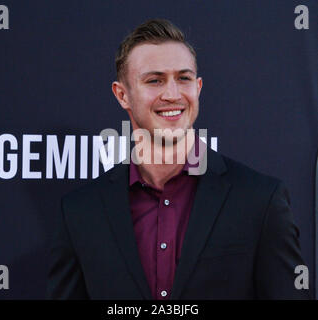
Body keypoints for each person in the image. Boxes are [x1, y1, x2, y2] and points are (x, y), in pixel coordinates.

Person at [47, 19, 311, 300]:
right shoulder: (80, 213)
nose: (172, 94)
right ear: (122, 95)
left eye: (183, 78)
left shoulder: (260, 200)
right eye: (154, 80)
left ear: (198, 87)